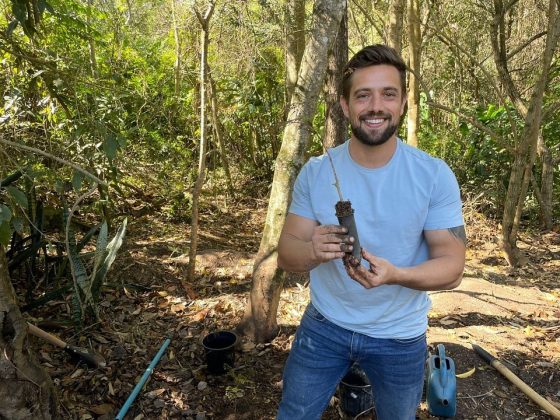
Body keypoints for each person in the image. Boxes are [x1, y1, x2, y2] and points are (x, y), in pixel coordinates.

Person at [276, 44, 467, 420]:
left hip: (400, 335)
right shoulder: (317, 172)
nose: (375, 106)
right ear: (346, 106)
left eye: (388, 94)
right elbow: (286, 253)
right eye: (363, 95)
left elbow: (453, 267)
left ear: (403, 103)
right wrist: (313, 250)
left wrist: (397, 274)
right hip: (325, 325)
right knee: (293, 414)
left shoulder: (432, 175)